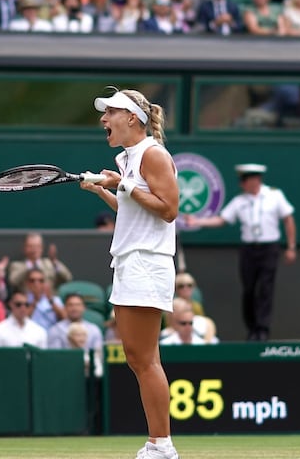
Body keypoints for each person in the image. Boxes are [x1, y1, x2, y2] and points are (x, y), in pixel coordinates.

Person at [81, 87, 180, 459]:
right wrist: (102, 191)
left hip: (147, 261)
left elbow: (169, 209)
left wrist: (121, 185)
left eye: (110, 114)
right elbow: (136, 211)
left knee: (145, 358)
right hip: (130, 260)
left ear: (132, 119)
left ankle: (162, 445)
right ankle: (158, 443)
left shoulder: (152, 154)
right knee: (137, 357)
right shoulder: (129, 158)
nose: (104, 120)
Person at [185, 163, 296, 341]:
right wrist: (198, 222)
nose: (244, 184)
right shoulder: (240, 201)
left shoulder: (274, 195)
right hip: (249, 249)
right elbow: (222, 219)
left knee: (265, 289)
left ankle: (263, 329)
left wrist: (291, 247)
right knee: (249, 289)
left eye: (248, 180)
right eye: (243, 181)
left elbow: (288, 219)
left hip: (269, 247)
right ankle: (252, 328)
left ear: (257, 180)